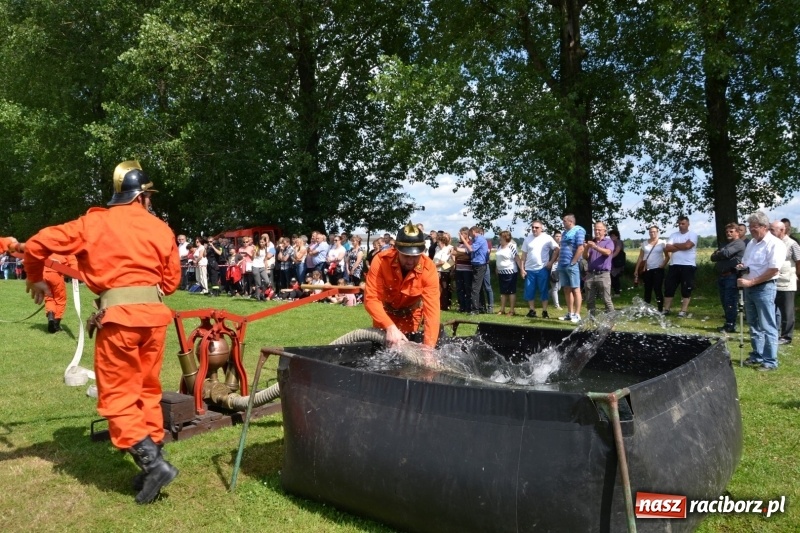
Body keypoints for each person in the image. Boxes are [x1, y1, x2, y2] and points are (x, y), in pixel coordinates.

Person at [24, 160, 181, 504]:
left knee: (116, 398)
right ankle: (150, 470)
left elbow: (37, 244)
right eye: (148, 196)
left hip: (120, 320)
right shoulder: (161, 229)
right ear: (140, 197)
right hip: (154, 320)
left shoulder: (94, 223)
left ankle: (154, 465)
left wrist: (35, 276)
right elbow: (170, 283)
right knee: (147, 392)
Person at [365, 223, 440, 348]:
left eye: (415, 256)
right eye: (406, 256)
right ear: (396, 249)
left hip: (410, 316)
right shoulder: (380, 261)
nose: (410, 261)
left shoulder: (428, 268)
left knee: (408, 352)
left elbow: (432, 311)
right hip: (385, 315)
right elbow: (371, 299)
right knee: (381, 352)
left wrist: (429, 349)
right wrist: (389, 326)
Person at [738, 212, 786, 372]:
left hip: (765, 287)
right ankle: (757, 355)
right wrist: (741, 268)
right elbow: (747, 262)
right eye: (750, 227)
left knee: (767, 324)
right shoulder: (751, 243)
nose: (751, 230)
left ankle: (770, 361)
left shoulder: (775, 244)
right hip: (749, 287)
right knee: (753, 324)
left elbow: (773, 270)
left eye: (755, 227)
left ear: (765, 227)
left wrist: (751, 281)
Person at [709, 223, 745, 333]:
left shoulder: (739, 244)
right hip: (722, 276)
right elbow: (713, 257)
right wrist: (721, 253)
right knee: (724, 300)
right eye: (727, 232)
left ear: (737, 232)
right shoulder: (725, 244)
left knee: (730, 301)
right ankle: (728, 323)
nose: (728, 233)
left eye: (731, 231)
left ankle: (731, 324)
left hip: (732, 275)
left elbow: (726, 253)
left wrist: (720, 253)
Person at [520, 221, 559, 318]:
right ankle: (532, 310)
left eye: (536, 227)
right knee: (529, 290)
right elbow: (523, 255)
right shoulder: (527, 239)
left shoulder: (547, 238)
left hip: (543, 268)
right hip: (529, 269)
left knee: (543, 290)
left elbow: (557, 249)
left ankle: (544, 311)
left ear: (541, 228)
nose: (534, 229)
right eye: (532, 227)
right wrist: (522, 269)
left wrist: (551, 262)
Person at [770, 221, 800, 344]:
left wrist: (797, 276)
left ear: (782, 230)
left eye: (773, 230)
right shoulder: (772, 243)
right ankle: (774, 333)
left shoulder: (793, 244)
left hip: (788, 281)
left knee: (787, 311)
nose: (770, 232)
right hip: (774, 280)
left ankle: (786, 336)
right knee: (773, 309)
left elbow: (799, 261)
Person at [663, 216, 698, 317]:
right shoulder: (674, 235)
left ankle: (683, 310)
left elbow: (688, 246)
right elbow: (667, 248)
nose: (681, 226)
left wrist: (675, 245)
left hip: (688, 265)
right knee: (669, 287)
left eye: (683, 224)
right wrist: (682, 245)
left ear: (688, 224)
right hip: (674, 265)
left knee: (686, 288)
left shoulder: (693, 234)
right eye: (679, 224)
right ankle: (666, 309)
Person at [557, 214, 586, 323]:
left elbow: (580, 248)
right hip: (563, 264)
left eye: (564, 221)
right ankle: (570, 313)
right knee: (566, 289)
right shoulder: (564, 233)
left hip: (572, 265)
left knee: (576, 289)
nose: (563, 223)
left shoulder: (578, 231)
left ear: (570, 222)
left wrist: (573, 262)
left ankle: (577, 314)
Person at [633, 225, 669, 312]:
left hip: (658, 269)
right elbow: (641, 257)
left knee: (658, 289)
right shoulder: (644, 243)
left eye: (654, 232)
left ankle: (660, 309)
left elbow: (668, 256)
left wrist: (663, 265)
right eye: (650, 232)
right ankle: (646, 308)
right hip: (647, 269)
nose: (652, 233)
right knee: (647, 289)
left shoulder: (662, 243)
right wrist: (636, 269)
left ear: (657, 232)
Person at [583, 222, 614, 317]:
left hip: (603, 275)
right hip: (591, 274)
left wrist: (595, 247)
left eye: (599, 230)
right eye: (595, 229)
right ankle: (591, 321)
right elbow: (585, 257)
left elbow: (608, 252)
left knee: (606, 300)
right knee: (589, 300)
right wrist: (587, 247)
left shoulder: (608, 242)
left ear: (605, 231)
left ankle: (611, 321)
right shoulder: (591, 242)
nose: (597, 231)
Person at [42, 253, 77, 333]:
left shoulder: (51, 246)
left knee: (49, 298)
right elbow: (73, 264)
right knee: (60, 300)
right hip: (56, 275)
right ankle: (56, 324)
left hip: (44, 273)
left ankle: (50, 316)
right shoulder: (68, 250)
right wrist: (75, 275)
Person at [461, 226, 489, 314]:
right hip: (476, 265)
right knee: (479, 288)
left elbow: (470, 249)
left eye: (469, 233)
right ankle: (482, 307)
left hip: (480, 266)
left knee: (474, 289)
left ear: (473, 231)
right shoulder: (476, 240)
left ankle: (475, 309)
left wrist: (463, 239)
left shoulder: (480, 239)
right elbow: (468, 250)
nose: (469, 235)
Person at [495, 231, 522, 316]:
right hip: (501, 272)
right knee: (502, 292)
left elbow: (517, 259)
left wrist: (522, 269)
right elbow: (498, 258)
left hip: (510, 272)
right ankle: (502, 309)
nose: (499, 239)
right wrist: (496, 268)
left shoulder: (512, 247)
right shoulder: (499, 246)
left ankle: (511, 310)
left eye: (501, 237)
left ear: (505, 237)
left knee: (511, 291)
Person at [451, 228, 473, 313]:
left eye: (461, 234)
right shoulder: (458, 244)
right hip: (459, 269)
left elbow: (468, 255)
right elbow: (453, 253)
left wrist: (459, 254)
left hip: (467, 270)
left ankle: (468, 307)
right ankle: (461, 306)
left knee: (467, 288)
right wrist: (462, 253)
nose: (460, 236)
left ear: (466, 234)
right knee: (459, 288)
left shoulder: (470, 243)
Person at [433, 232, 453, 311]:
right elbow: (435, 259)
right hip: (437, 270)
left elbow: (442, 262)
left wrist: (432, 266)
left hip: (444, 271)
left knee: (444, 289)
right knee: (438, 289)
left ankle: (444, 306)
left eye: (438, 242)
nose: (437, 243)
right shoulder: (437, 249)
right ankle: (438, 305)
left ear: (442, 242)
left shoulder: (447, 249)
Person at [609, 229, 625, 296]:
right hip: (612, 263)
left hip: (617, 262)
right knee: (611, 277)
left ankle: (617, 292)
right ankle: (612, 292)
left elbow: (617, 251)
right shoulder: (610, 242)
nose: (611, 237)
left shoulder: (619, 242)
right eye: (611, 236)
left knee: (615, 277)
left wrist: (610, 258)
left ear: (617, 236)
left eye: (613, 236)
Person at [549, 231, 562, 309]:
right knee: (555, 287)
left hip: (561, 268)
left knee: (559, 287)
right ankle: (557, 305)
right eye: (557, 236)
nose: (558, 238)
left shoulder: (563, 246)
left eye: (560, 236)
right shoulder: (551, 247)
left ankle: (547, 295)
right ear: (554, 237)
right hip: (553, 268)